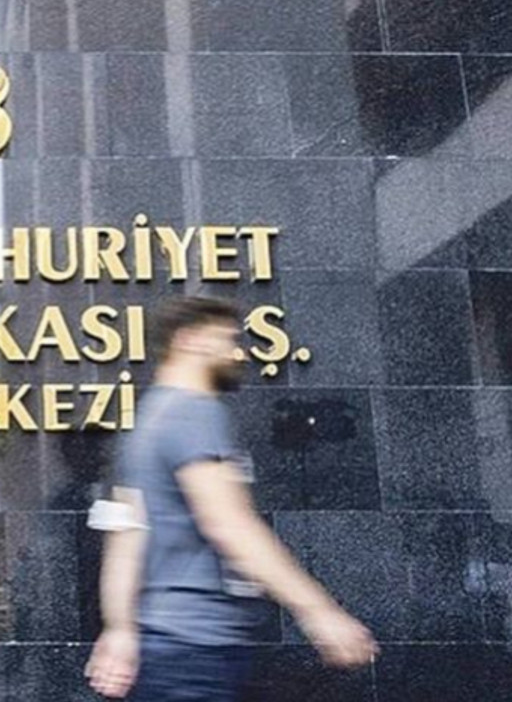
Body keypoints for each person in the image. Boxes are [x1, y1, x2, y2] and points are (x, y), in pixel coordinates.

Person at [84, 296, 378, 701]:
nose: (237, 352)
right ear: (189, 340)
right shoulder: (194, 413)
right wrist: (318, 611)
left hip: (161, 646)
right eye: (226, 340)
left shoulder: (145, 423)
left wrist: (120, 629)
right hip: (199, 648)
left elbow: (124, 540)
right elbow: (229, 524)